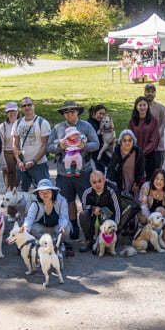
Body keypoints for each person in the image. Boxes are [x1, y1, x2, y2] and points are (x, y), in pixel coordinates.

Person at [48, 100, 100, 240]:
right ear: (63, 114)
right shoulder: (58, 128)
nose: (69, 113)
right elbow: (49, 147)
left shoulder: (86, 126)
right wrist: (60, 146)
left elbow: (96, 144)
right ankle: (74, 227)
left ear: (78, 111)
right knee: (68, 201)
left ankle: (88, 229)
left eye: (72, 110)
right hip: (64, 172)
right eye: (66, 111)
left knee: (87, 201)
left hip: (83, 170)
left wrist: (84, 146)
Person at [78, 171, 122, 253]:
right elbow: (84, 206)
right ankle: (89, 240)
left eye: (99, 181)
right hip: (94, 219)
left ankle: (107, 239)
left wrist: (115, 228)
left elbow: (118, 211)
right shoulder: (87, 192)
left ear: (104, 180)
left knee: (108, 248)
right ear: (90, 183)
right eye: (94, 182)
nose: (97, 184)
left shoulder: (112, 191)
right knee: (83, 214)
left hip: (109, 220)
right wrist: (93, 208)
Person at [13, 97, 51, 192]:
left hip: (39, 165)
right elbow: (15, 145)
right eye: (24, 105)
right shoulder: (17, 123)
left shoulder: (42, 122)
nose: (27, 107)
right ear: (21, 108)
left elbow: (44, 145)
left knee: (45, 193)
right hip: (22, 165)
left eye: (29, 104)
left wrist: (34, 161)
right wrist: (18, 161)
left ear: (34, 106)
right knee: (22, 195)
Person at [23, 179, 70, 247]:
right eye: (41, 192)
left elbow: (64, 216)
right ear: (38, 194)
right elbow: (30, 218)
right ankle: (45, 242)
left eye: (48, 191)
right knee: (33, 227)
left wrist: (62, 225)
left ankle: (56, 242)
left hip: (56, 228)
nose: (45, 194)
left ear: (52, 192)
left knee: (66, 228)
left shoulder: (62, 201)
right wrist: (25, 229)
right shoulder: (35, 203)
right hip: (42, 229)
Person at [138, 169, 165, 243]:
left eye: (162, 179)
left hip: (164, 218)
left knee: (160, 210)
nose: (159, 182)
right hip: (149, 216)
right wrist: (150, 219)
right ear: (153, 179)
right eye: (157, 178)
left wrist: (164, 222)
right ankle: (145, 233)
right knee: (142, 215)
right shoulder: (146, 186)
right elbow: (143, 205)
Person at [128, 96, 161, 178]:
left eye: (144, 105)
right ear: (136, 107)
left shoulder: (153, 120)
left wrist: (143, 152)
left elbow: (154, 138)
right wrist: (136, 151)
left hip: (150, 154)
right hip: (135, 154)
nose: (142, 107)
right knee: (136, 178)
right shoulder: (132, 121)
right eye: (140, 105)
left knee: (150, 178)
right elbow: (129, 137)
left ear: (148, 106)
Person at [107, 129, 145, 197]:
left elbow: (141, 169)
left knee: (133, 200)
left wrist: (137, 183)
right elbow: (111, 166)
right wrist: (110, 180)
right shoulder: (117, 150)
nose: (127, 142)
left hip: (134, 180)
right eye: (124, 140)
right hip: (121, 179)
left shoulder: (138, 151)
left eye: (129, 140)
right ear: (121, 142)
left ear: (133, 141)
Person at [143, 83, 165, 174]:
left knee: (157, 172)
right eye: (148, 91)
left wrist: (155, 137)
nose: (150, 94)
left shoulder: (161, 108)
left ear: (155, 94)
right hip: (144, 146)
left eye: (152, 92)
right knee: (144, 172)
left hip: (158, 147)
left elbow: (164, 123)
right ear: (144, 92)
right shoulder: (141, 108)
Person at [0, 102, 20, 191]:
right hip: (8, 155)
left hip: (20, 154)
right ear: (6, 113)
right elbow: (1, 146)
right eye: (9, 111)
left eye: (13, 111)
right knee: (9, 183)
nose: (11, 113)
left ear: (17, 111)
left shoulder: (22, 124)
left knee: (20, 181)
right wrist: (3, 163)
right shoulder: (2, 127)